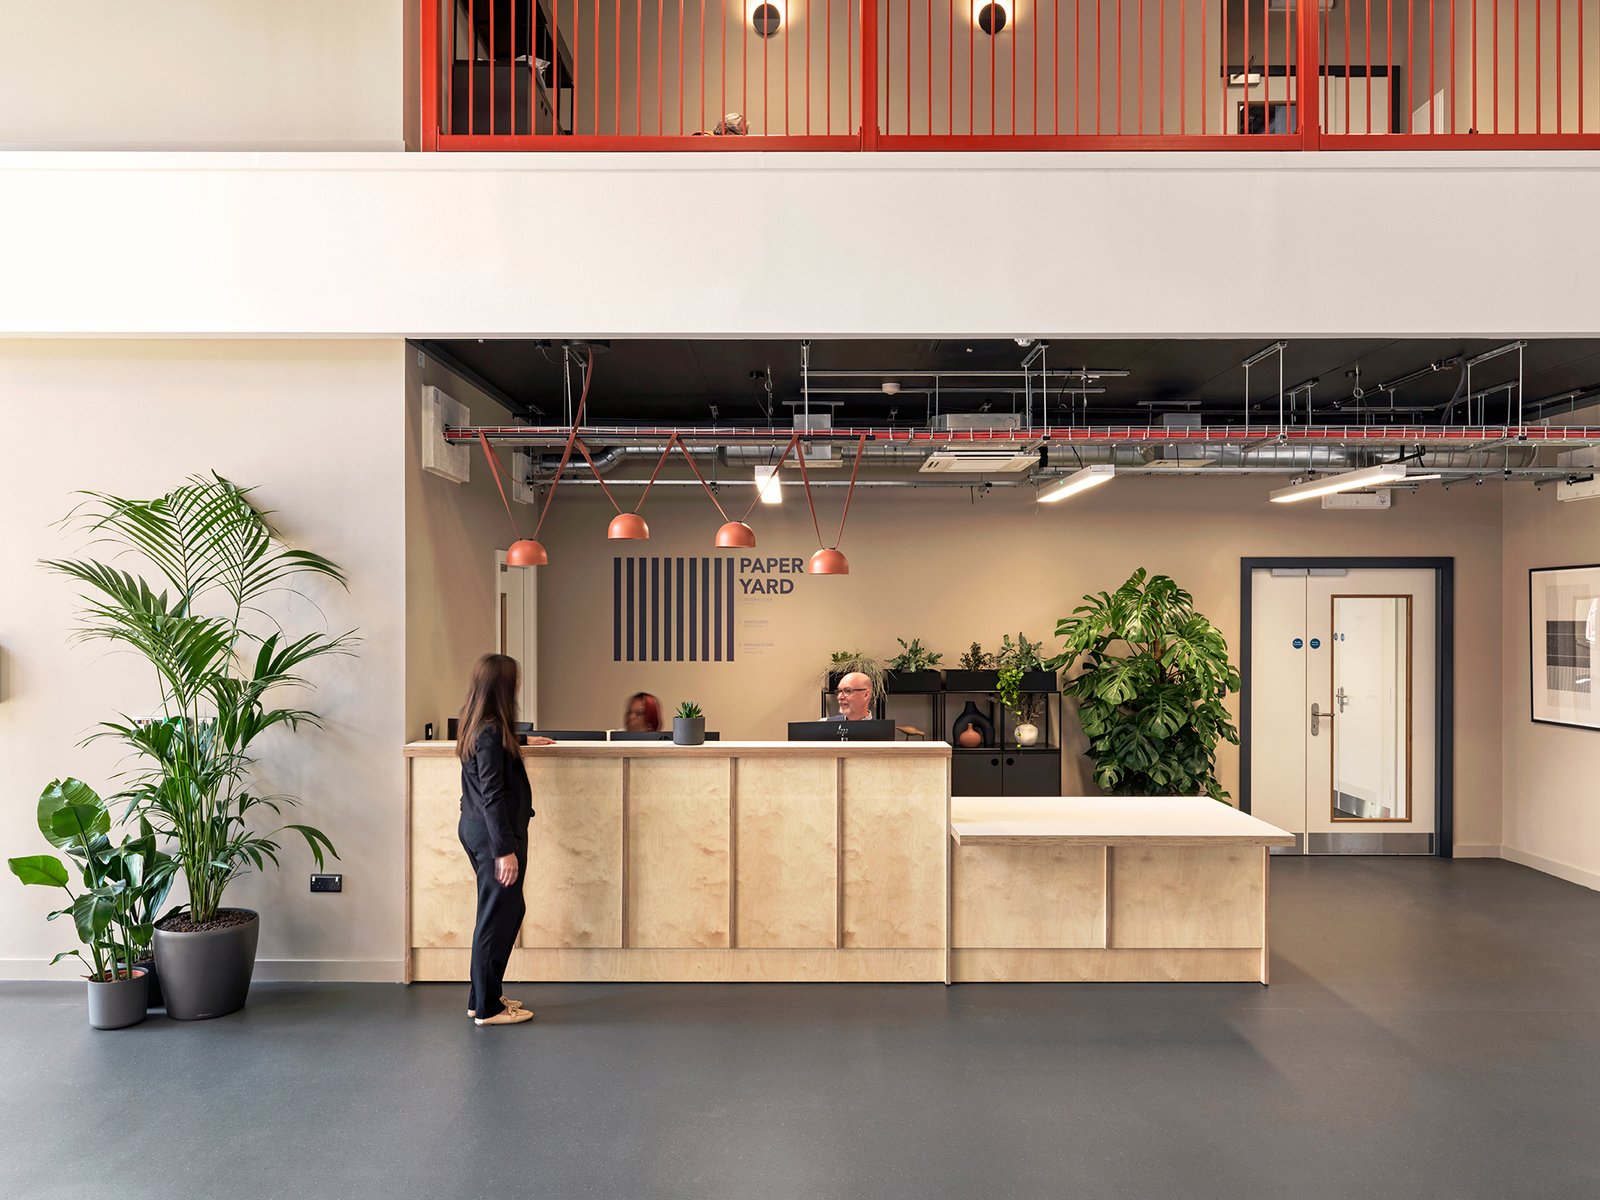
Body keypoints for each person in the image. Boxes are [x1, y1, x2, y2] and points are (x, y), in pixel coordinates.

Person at [456, 653, 553, 1027]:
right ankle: (488, 1009)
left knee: (499, 913)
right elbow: (493, 794)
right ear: (503, 687)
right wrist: (504, 851)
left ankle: (482, 997)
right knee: (498, 917)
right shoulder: (491, 732)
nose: (519, 685)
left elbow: (488, 762)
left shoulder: (477, 723)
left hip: (476, 829)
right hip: (493, 836)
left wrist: (523, 739)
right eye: (515, 680)